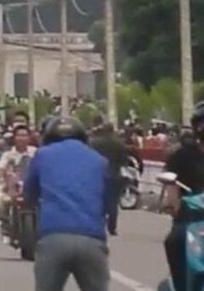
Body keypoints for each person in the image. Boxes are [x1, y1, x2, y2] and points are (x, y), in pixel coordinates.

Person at [24, 116, 109, 291]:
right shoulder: (99, 159)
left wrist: (31, 205)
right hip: (91, 238)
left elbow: (29, 192)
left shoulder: (42, 155)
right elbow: (108, 199)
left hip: (53, 237)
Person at [163, 105, 204, 291]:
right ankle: (182, 286)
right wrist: (175, 205)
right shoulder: (182, 155)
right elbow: (172, 187)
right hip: (192, 218)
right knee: (174, 240)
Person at [89, 121, 127, 237]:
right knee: (113, 203)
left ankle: (97, 224)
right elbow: (124, 161)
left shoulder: (94, 143)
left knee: (97, 200)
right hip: (114, 174)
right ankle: (112, 227)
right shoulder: (119, 144)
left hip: (97, 175)